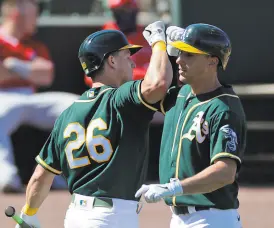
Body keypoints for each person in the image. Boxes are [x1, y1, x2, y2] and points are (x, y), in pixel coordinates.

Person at [15, 21, 173, 228]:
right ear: (112, 61)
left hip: (76, 216)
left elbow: (40, 176)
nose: (133, 64)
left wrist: (28, 214)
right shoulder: (122, 99)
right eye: (127, 57)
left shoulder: (67, 114)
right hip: (111, 218)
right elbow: (158, 83)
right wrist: (159, 43)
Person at [135, 23, 246, 228]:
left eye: (189, 55)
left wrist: (174, 188)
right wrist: (164, 50)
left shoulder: (224, 107)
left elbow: (225, 172)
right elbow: (156, 85)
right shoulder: (182, 95)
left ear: (213, 61)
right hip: (179, 218)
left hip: (212, 218)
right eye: (180, 53)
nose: (179, 60)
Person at [0, 0, 79, 193]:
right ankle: (6, 175)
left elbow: (47, 75)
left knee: (76, 107)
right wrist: (28, 70)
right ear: (16, 11)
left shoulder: (32, 44)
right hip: (3, 96)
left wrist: (14, 65)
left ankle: (65, 174)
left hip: (31, 97)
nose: (37, 19)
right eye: (33, 12)